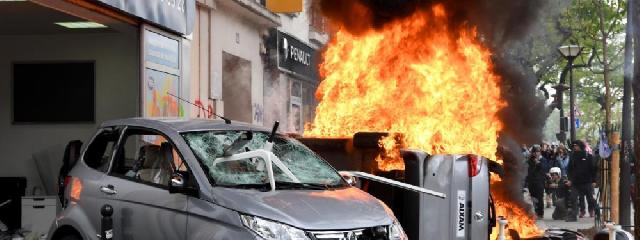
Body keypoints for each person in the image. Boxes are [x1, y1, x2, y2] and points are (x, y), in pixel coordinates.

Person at [568, 140, 597, 218]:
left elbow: (593, 169)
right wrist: (570, 179)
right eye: (574, 146)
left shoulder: (588, 155)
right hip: (577, 181)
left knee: (590, 197)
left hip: (587, 181)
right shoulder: (572, 156)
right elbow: (570, 169)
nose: (575, 147)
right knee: (580, 198)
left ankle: (591, 210)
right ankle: (582, 211)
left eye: (576, 145)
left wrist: (594, 180)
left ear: (580, 146)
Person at [527, 146, 548, 218]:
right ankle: (536, 211)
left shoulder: (543, 160)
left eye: (537, 152)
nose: (536, 153)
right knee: (533, 198)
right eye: (534, 152)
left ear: (540, 152)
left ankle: (540, 213)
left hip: (540, 182)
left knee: (540, 197)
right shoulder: (530, 160)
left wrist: (538, 163)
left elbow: (544, 169)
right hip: (531, 182)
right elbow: (528, 171)